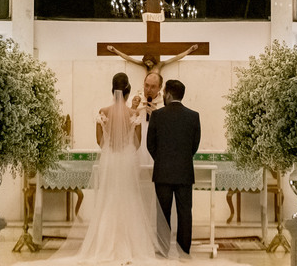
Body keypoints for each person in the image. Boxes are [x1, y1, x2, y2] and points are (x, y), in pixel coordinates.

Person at [49, 72, 173, 266]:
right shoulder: (133, 114)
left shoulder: (103, 111)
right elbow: (138, 143)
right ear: (128, 91)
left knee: (109, 200)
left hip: (110, 160)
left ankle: (104, 245)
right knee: (129, 198)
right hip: (126, 162)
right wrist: (124, 147)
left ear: (112, 89)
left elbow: (100, 141)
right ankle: (133, 246)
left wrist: (112, 147)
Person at [146, 78, 200, 257]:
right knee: (185, 212)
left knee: (163, 214)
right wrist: (183, 160)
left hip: (163, 173)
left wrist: (161, 160)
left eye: (163, 93)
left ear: (168, 94)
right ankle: (184, 250)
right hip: (184, 172)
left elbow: (150, 144)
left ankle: (163, 249)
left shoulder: (157, 115)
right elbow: (194, 145)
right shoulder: (193, 116)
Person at [132, 72, 163, 167]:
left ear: (160, 87)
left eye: (153, 87)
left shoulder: (164, 104)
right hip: (137, 144)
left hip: (156, 146)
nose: (148, 89)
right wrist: (132, 109)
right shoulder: (133, 100)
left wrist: (158, 117)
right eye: (146, 85)